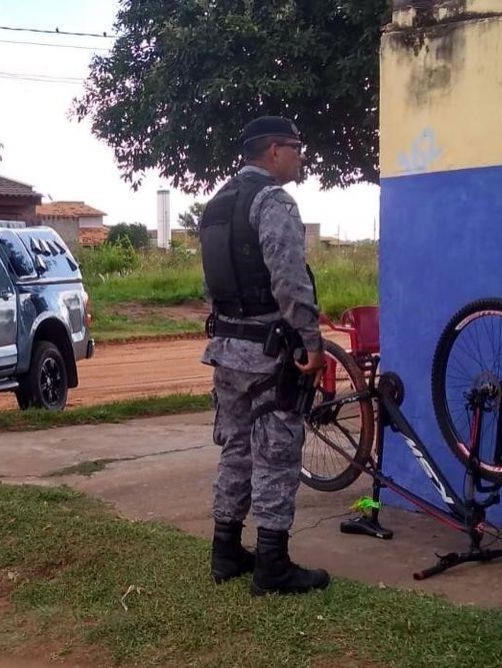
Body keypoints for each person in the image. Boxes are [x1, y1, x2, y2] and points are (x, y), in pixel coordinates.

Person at [199, 116, 329, 596]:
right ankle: (272, 565)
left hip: (226, 348)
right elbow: (288, 279)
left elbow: (212, 283)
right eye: (296, 147)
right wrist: (311, 341)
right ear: (274, 150)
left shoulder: (216, 205)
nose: (300, 156)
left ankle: (226, 551)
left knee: (236, 448)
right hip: (269, 353)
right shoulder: (273, 201)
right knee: (276, 453)